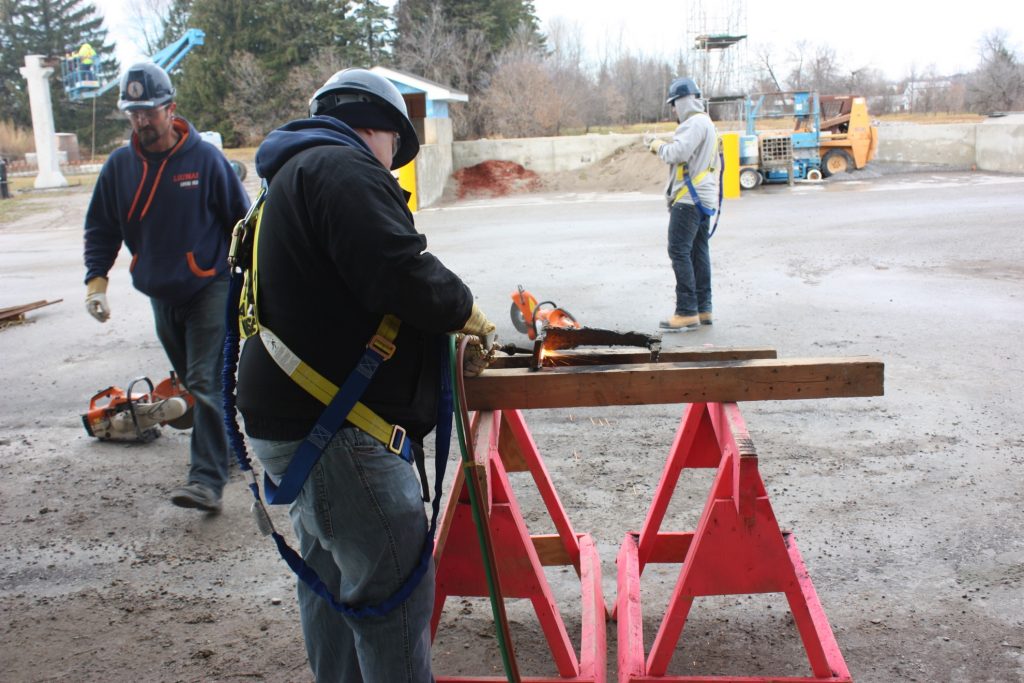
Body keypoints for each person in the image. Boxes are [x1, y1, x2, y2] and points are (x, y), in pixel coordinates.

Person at [234, 68, 495, 682]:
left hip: (302, 424)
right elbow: (399, 272)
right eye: (394, 149)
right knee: (391, 596)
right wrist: (464, 310)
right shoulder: (341, 167)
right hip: (337, 435)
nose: (391, 165)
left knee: (330, 580)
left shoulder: (291, 177)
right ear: (381, 129)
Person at [83, 62, 250, 512]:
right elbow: (100, 228)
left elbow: (242, 222)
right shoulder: (119, 168)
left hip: (209, 286)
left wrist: (250, 281)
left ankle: (206, 482)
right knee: (193, 386)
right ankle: (224, 444)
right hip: (161, 293)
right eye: (133, 113)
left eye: (149, 111)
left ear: (170, 108)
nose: (141, 120)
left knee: (206, 380)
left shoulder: (206, 161)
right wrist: (96, 282)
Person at [646, 76, 721, 331]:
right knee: (698, 252)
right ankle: (703, 308)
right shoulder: (707, 123)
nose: (673, 111)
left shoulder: (693, 123)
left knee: (679, 251)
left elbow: (677, 153)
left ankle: (686, 311)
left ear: (682, 101)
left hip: (689, 199)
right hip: (703, 197)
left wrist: (656, 146)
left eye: (674, 105)